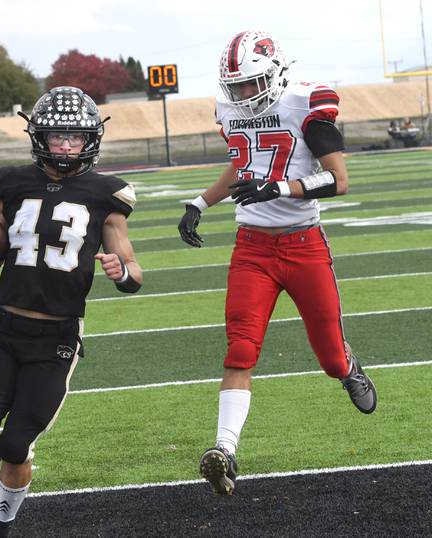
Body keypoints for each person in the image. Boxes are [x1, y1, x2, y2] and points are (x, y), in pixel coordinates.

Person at [177, 31, 377, 497]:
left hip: (304, 245)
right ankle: (224, 450)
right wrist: (200, 202)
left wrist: (281, 188)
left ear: (276, 70)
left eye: (252, 83)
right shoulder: (229, 111)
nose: (244, 95)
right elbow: (244, 162)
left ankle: (348, 367)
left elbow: (339, 180)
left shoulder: (306, 102)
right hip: (252, 248)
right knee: (240, 349)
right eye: (238, 86)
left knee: (328, 356)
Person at [0, 86, 142, 536]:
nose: (66, 145)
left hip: (56, 340)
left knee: (16, 445)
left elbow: (134, 273)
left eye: (75, 136)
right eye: (57, 136)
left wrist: (119, 271)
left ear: (90, 139)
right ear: (40, 137)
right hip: (5, 330)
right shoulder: (11, 184)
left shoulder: (107, 195)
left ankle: (1, 526)